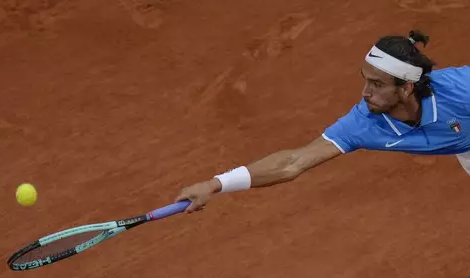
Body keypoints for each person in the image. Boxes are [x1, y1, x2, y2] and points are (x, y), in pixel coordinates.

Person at [175, 30, 470, 213]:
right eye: (365, 81)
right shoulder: (364, 122)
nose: (365, 93)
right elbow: (292, 162)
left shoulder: (459, 89)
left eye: (378, 85)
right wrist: (215, 185)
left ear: (406, 88)